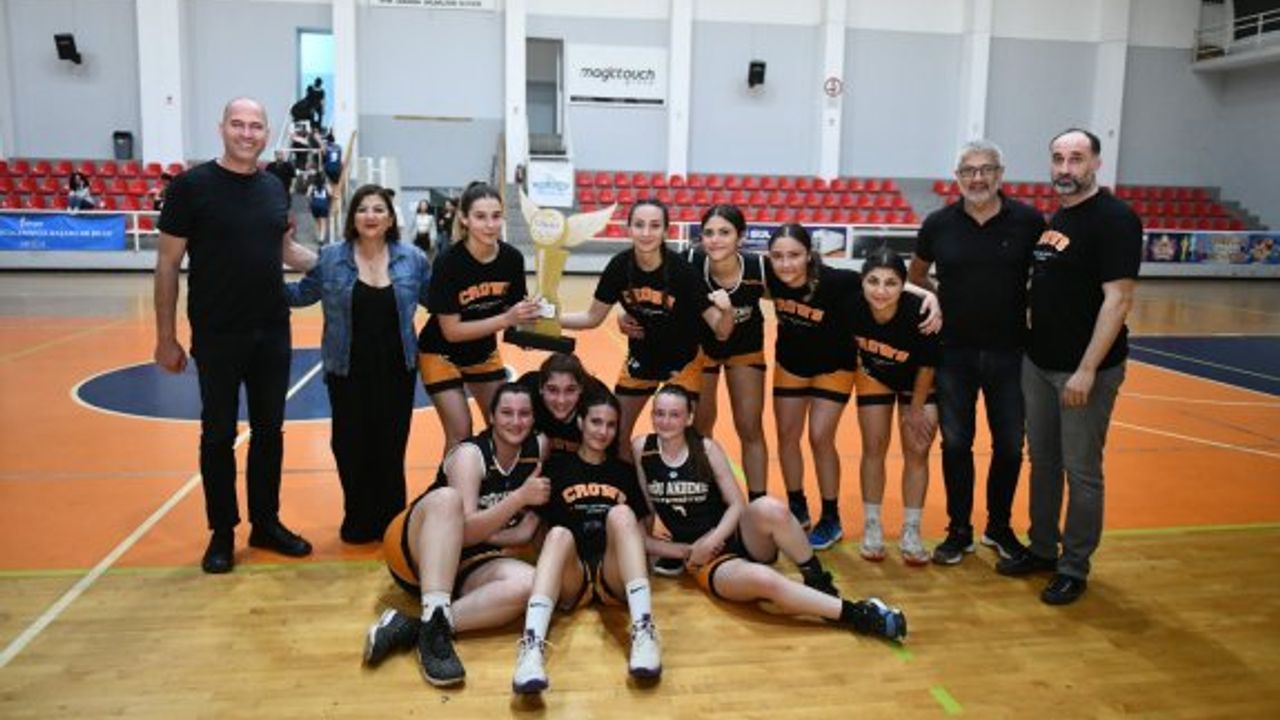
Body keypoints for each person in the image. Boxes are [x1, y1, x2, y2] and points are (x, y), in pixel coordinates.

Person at [154, 97, 317, 574]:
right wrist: (165, 337)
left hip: (273, 330)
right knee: (218, 434)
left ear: (266, 133)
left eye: (256, 126)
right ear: (222, 127)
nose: (247, 133)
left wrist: (344, 261)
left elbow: (285, 251)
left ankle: (265, 522)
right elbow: (167, 263)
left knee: (269, 433)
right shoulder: (191, 187)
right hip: (218, 333)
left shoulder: (273, 188)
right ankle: (222, 532)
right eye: (238, 124)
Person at [995, 128, 1142, 606]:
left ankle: (1074, 566)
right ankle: (1042, 548)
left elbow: (1118, 300)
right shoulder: (1058, 216)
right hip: (1039, 362)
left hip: (1083, 371)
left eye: (1076, 158)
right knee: (1044, 462)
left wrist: (1087, 369)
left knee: (1081, 471)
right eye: (1058, 158)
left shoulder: (1115, 219)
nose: (1065, 168)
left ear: (1096, 163)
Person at [634, 385, 907, 639]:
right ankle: (858, 615)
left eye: (674, 414)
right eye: (659, 413)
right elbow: (642, 525)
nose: (665, 421)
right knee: (765, 581)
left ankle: (819, 583)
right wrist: (686, 551)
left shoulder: (705, 448)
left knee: (770, 507)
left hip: (736, 534)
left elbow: (737, 504)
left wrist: (714, 538)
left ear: (689, 418)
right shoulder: (642, 450)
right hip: (708, 560)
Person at [908, 139, 1046, 566]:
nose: (978, 178)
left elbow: (1046, 277)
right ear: (957, 177)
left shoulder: (1029, 221)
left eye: (986, 169)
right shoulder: (938, 224)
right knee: (956, 444)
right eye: (969, 171)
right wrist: (936, 300)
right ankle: (959, 530)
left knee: (1010, 446)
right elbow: (916, 275)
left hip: (1012, 353)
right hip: (954, 353)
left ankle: (999, 527)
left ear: (1000, 174)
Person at [362, 383, 550, 686]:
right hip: (416, 548)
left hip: (467, 560)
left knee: (529, 583)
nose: (516, 421)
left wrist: (509, 533)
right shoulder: (470, 455)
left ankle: (419, 626)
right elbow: (465, 531)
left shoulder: (537, 450)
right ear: (491, 416)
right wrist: (518, 500)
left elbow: (512, 532)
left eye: (524, 414)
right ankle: (435, 642)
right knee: (449, 500)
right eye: (506, 413)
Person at [766, 225, 940, 550]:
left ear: (809, 255)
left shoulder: (838, 281)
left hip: (836, 367)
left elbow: (882, 279)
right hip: (792, 364)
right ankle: (798, 506)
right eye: (778, 256)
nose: (786, 263)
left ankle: (832, 516)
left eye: (794, 255)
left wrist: (927, 294)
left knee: (820, 436)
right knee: (787, 435)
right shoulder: (771, 275)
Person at [284, 184, 431, 543]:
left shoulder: (412, 259)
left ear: (391, 219)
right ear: (352, 218)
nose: (371, 216)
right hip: (346, 369)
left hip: (397, 370)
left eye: (379, 209)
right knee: (349, 445)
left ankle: (392, 522)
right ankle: (359, 516)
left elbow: (439, 301)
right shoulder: (332, 257)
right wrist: (253, 277)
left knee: (390, 446)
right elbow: (302, 295)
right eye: (363, 209)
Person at [511, 388, 661, 694]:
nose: (603, 431)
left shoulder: (624, 473)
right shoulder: (556, 470)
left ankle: (644, 631)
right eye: (596, 422)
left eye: (610, 424)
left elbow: (641, 534)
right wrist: (478, 534)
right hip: (573, 575)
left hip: (611, 573)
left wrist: (682, 551)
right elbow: (530, 531)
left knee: (622, 514)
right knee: (558, 534)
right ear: (580, 422)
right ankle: (531, 649)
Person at [560, 198, 732, 460]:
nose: (646, 232)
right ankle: (628, 481)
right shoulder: (619, 267)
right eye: (639, 225)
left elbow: (721, 330)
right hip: (641, 357)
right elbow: (592, 317)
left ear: (666, 231)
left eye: (654, 225)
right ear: (628, 229)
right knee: (616, 434)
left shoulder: (682, 272)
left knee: (680, 438)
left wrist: (727, 311)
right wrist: (549, 319)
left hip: (683, 361)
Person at [418, 181, 542, 452]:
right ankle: (453, 480)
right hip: (440, 353)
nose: (490, 225)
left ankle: (492, 478)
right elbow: (452, 331)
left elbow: (512, 311)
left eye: (496, 216)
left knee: (504, 426)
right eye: (480, 217)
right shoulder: (448, 262)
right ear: (464, 219)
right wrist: (507, 320)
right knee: (461, 433)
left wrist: (531, 329)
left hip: (483, 353)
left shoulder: (512, 259)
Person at [850, 249, 941, 566]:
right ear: (862, 282)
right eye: (873, 281)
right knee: (873, 447)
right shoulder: (853, 303)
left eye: (891, 283)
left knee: (917, 448)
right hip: (875, 376)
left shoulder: (919, 312)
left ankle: (911, 530)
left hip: (919, 382)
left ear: (903, 285)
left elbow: (927, 366)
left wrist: (915, 410)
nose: (880, 290)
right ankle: (872, 525)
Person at [686, 205, 770, 504]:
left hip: (745, 348)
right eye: (708, 233)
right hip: (703, 348)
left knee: (750, 427)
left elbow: (797, 292)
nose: (715, 239)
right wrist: (626, 316)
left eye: (724, 232)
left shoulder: (759, 268)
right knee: (700, 426)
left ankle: (758, 503)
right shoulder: (690, 261)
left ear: (741, 237)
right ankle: (707, 500)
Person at [516, 351, 606, 456]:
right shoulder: (526, 394)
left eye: (570, 390)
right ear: (540, 388)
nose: (561, 401)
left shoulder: (598, 404)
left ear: (581, 388)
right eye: (552, 390)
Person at [308, 173, 331, 245]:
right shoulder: (326, 185)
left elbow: (307, 195)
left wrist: (311, 200)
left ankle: (318, 237)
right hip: (323, 205)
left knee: (317, 222)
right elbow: (330, 193)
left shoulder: (312, 186)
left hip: (314, 205)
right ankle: (321, 239)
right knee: (323, 223)